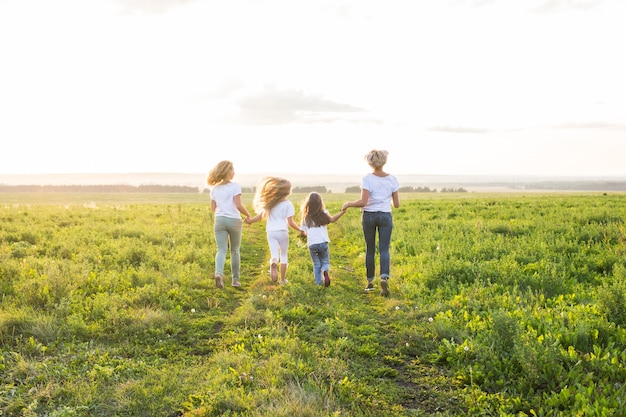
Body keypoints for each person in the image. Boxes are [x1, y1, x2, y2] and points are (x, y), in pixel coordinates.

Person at [342, 150, 400, 297]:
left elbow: (363, 202)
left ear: (370, 163)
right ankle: (384, 277)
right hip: (385, 216)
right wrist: (385, 200)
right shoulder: (392, 179)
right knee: (384, 249)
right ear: (384, 162)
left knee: (370, 249)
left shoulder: (367, 179)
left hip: (368, 216)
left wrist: (348, 203)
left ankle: (369, 283)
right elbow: (397, 204)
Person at [246, 177, 304, 285]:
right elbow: (291, 222)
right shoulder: (288, 204)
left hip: (271, 232)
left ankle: (273, 262)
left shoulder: (270, 203)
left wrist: (250, 221)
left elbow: (259, 216)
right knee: (284, 255)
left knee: (274, 254)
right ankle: (282, 280)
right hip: (282, 231)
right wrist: (301, 230)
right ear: (288, 191)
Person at [207, 160, 252, 288]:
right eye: (233, 170)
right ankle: (235, 280)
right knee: (235, 250)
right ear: (228, 173)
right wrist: (248, 215)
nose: (234, 172)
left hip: (219, 221)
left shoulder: (214, 189)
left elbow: (213, 208)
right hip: (234, 221)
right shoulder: (235, 186)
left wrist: (223, 212)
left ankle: (219, 274)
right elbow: (238, 204)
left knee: (221, 249)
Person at [300, 192, 347, 287]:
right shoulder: (324, 213)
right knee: (325, 261)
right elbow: (332, 220)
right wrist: (342, 212)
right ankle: (325, 270)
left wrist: (305, 236)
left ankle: (318, 284)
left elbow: (302, 232)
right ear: (320, 202)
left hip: (312, 244)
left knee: (316, 264)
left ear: (308, 203)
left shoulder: (306, 216)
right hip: (323, 242)